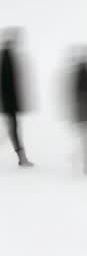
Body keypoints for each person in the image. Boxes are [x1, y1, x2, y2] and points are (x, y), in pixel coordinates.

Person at [0, 28, 32, 167]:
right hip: (8, 103)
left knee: (12, 130)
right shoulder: (6, 57)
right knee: (12, 130)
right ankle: (22, 159)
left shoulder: (8, 56)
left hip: (9, 102)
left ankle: (22, 158)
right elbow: (7, 83)